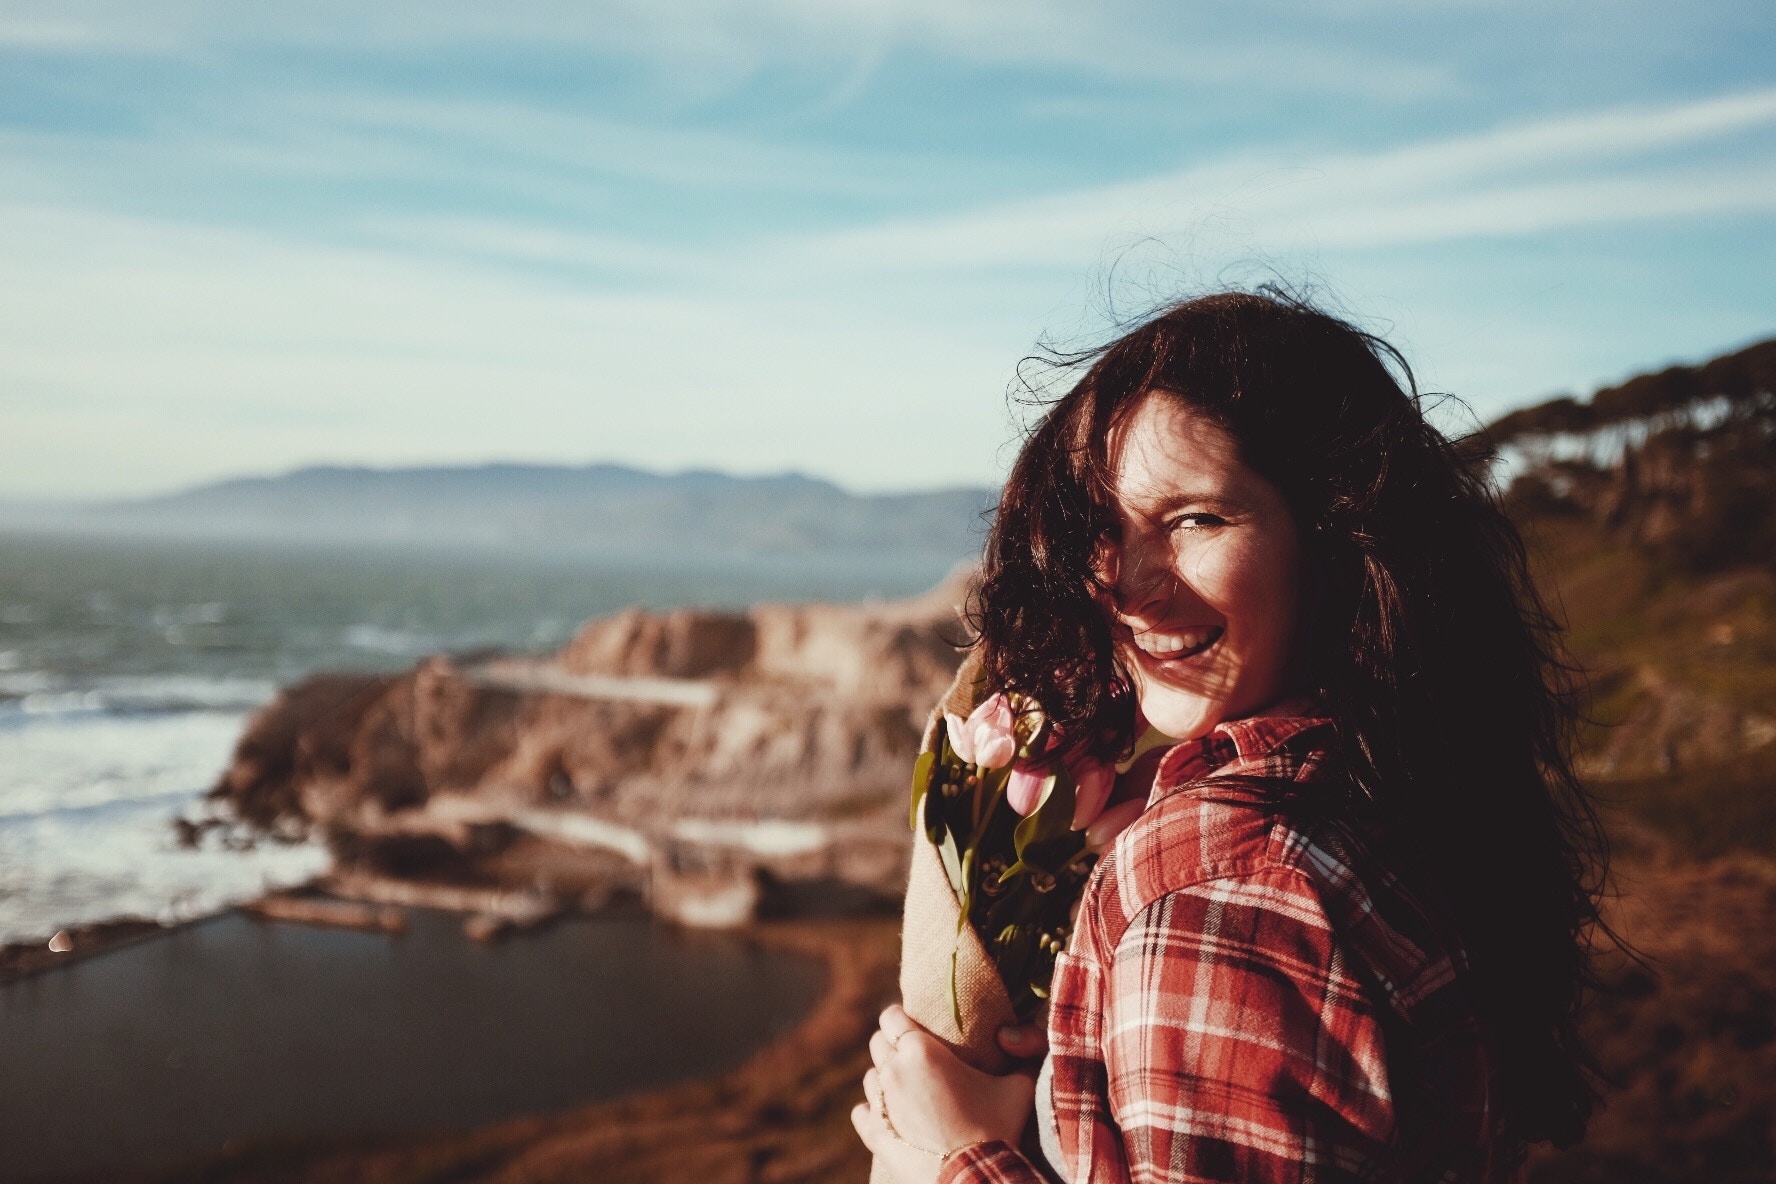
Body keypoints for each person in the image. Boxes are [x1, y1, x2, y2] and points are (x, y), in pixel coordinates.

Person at [852, 290, 1607, 1183]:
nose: (1128, 586)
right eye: (1103, 525)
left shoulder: (1225, 894)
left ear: (1337, 536)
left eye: (1196, 519)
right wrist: (1075, 1057)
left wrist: (956, 1158)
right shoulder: (1398, 783)